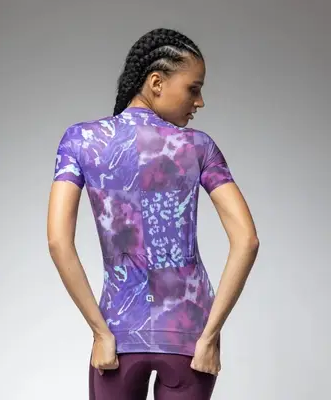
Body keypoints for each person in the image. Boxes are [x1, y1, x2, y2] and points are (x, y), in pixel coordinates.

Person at [47, 28, 259, 400]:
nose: (200, 102)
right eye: (193, 89)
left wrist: (99, 332)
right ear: (156, 82)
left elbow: (57, 242)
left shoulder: (80, 141)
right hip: (190, 335)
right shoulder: (199, 147)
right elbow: (247, 240)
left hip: (117, 333)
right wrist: (210, 336)